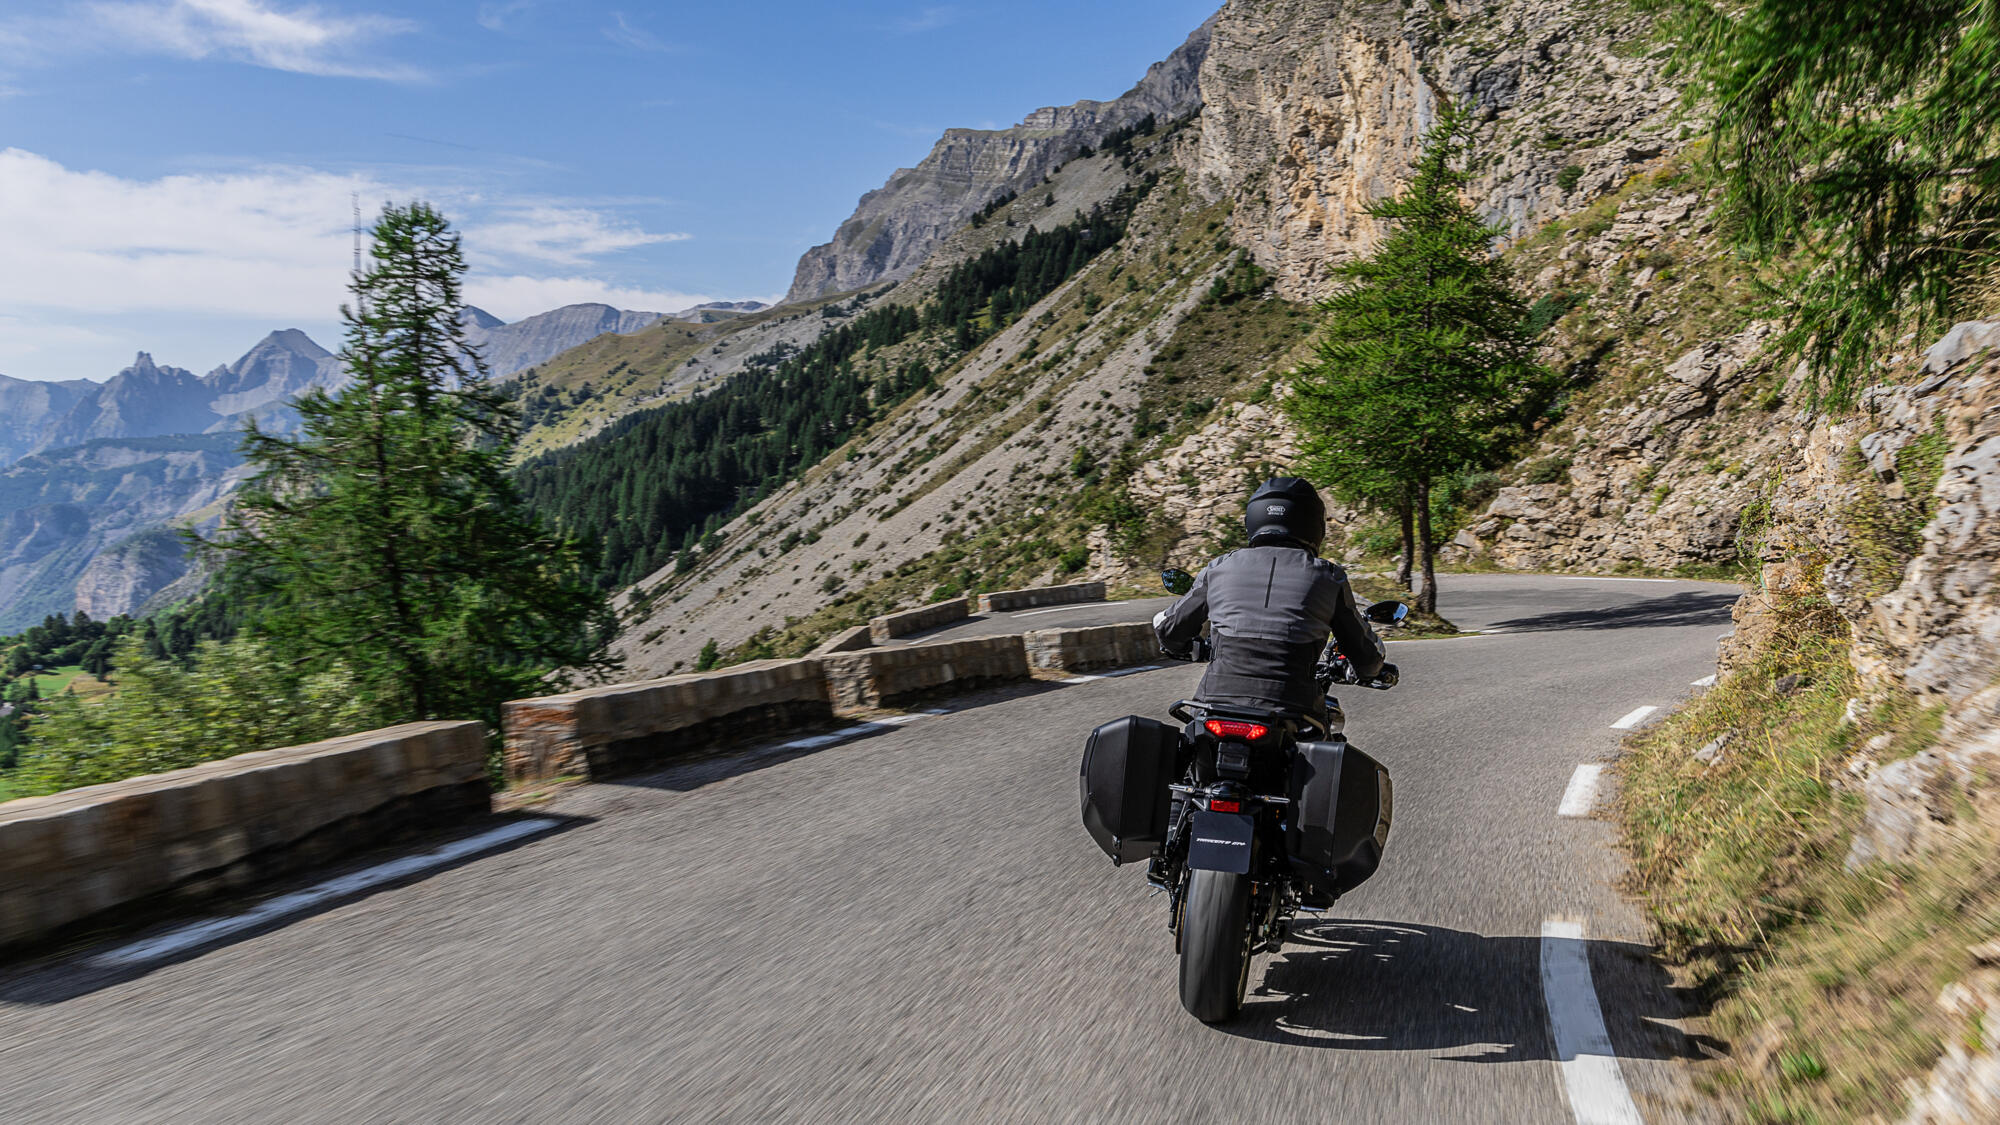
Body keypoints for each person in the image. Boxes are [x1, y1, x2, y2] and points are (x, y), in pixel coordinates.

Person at [1152, 477, 1394, 719]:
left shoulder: (1218, 567)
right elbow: (1365, 658)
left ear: (1253, 519)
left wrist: (1190, 647)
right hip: (1293, 711)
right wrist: (1373, 669)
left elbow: (1169, 631)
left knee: (1192, 739)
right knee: (1325, 735)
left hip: (1214, 705)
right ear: (1314, 524)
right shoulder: (1329, 577)